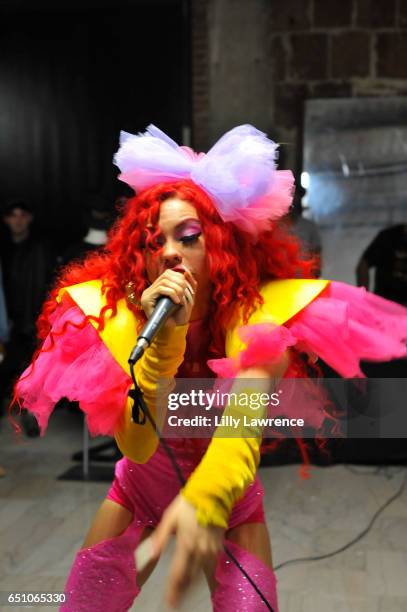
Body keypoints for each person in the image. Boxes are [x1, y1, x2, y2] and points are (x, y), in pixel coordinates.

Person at [14, 125, 407, 611]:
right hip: (137, 492)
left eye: (190, 236)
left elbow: (242, 430)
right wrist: (165, 341)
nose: (171, 251)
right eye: (154, 241)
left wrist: (203, 503)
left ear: (222, 246)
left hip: (229, 502)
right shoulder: (122, 321)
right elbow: (137, 443)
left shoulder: (259, 317)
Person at [1, 201, 54, 436]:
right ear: (6, 220)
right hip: (8, 322)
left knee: (33, 372)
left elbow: (46, 284)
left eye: (23, 214)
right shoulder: (4, 249)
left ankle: (31, 417)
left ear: (30, 218)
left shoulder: (41, 248)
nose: (18, 220)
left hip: (34, 320)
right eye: (13, 215)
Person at [356, 223, 407, 306]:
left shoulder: (387, 236)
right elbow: (363, 265)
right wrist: (364, 299)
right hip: (384, 304)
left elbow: (363, 265)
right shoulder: (388, 237)